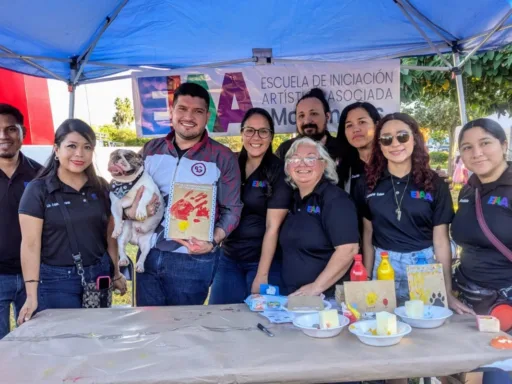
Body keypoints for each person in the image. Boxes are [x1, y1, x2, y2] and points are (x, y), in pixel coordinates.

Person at [125, 82, 243, 306]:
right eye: (182, 109)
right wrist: (131, 211)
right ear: (172, 112)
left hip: (192, 259)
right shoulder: (151, 150)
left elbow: (232, 209)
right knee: (149, 330)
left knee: (185, 331)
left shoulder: (222, 157)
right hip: (147, 254)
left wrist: (213, 241)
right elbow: (129, 195)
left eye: (197, 111)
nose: (189, 117)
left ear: (207, 116)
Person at [354, 113, 472, 314]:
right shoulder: (365, 184)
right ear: (379, 145)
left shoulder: (435, 183)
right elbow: (367, 235)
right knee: (382, 326)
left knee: (426, 328)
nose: (395, 143)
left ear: (415, 139)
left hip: (423, 265)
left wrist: (447, 290)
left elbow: (441, 241)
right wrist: (366, 280)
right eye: (386, 138)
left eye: (402, 136)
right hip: (383, 266)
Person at [17, 119, 127, 324]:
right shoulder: (38, 190)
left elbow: (110, 235)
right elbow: (30, 245)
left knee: (97, 334)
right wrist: (31, 295)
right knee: (64, 343)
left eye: (87, 147)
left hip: (98, 276)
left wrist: (116, 272)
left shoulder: (101, 187)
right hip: (57, 281)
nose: (79, 154)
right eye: (72, 146)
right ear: (56, 150)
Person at [209, 108, 292, 304]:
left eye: (263, 131)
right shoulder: (230, 164)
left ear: (271, 136)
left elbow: (273, 228)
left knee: (262, 322)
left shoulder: (278, 171)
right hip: (228, 257)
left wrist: (262, 275)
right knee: (219, 318)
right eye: (250, 130)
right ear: (242, 133)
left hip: (263, 262)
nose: (256, 137)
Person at [451, 118, 512, 331]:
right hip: (467, 301)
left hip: (506, 304)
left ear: (503, 145)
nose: (476, 152)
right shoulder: (469, 191)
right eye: (467, 147)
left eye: (485, 143)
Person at [279, 137, 359, 297]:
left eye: (310, 158)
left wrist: (316, 287)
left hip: (327, 299)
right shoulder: (294, 200)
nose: (302, 164)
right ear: (288, 167)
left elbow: (348, 250)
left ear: (324, 164)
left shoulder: (335, 199)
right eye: (295, 159)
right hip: (296, 297)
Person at [0, 104, 42, 338]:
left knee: (35, 345)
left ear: (23, 132)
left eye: (10, 129)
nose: (3, 136)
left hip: (35, 278)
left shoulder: (40, 176)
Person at [275, 88, 340, 162]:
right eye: (301, 115)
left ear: (327, 116)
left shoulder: (342, 149)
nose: (307, 121)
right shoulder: (285, 150)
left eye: (314, 114)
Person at [336, 102, 380, 195]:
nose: (355, 129)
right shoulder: (344, 168)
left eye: (362, 122)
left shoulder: (392, 161)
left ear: (376, 125)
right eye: (349, 125)